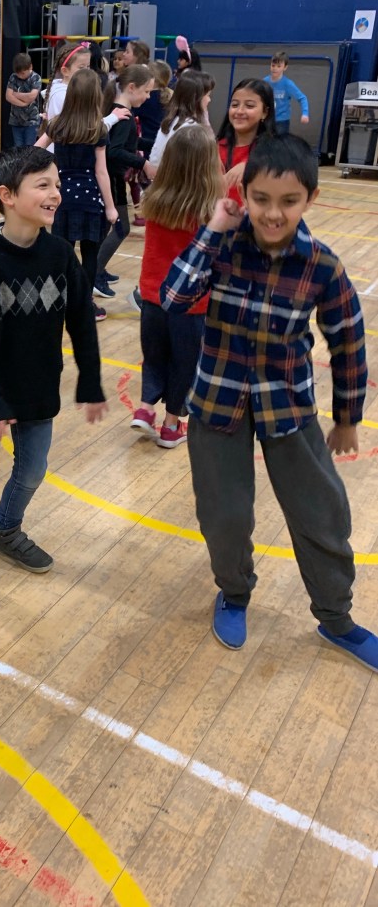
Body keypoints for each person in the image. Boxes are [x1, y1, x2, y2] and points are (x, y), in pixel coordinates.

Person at [161, 134, 378, 671]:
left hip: (288, 406)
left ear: (311, 199)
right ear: (244, 194)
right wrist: (214, 228)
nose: (273, 213)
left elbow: (348, 340)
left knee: (322, 513)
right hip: (217, 402)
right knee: (224, 515)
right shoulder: (223, 244)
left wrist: (347, 417)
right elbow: (173, 297)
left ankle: (336, 618)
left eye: (288, 201)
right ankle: (234, 592)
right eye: (260, 199)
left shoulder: (322, 266)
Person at [0, 147, 108, 604]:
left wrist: (90, 380)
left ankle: (6, 530)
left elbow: (81, 321)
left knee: (32, 471)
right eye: (43, 185)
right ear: (8, 196)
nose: (56, 194)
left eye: (57, 184)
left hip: (37, 385)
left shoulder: (60, 255)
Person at [130, 125, 224, 447]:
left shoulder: (154, 201)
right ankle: (171, 426)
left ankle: (145, 409)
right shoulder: (210, 211)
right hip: (191, 305)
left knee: (154, 355)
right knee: (185, 362)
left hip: (152, 297)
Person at [35, 68, 118, 322]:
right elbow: (101, 172)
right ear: (95, 96)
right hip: (90, 199)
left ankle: (57, 301)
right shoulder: (97, 128)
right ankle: (84, 304)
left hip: (62, 198)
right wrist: (111, 207)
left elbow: (36, 150)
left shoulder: (57, 124)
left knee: (62, 253)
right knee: (90, 255)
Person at [93, 64, 156, 302]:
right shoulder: (124, 116)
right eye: (146, 91)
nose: (148, 97)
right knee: (121, 229)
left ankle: (98, 267)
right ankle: (93, 274)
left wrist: (154, 143)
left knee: (110, 229)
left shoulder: (118, 111)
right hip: (111, 178)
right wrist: (143, 164)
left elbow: (129, 143)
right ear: (131, 87)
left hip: (112, 178)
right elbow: (114, 151)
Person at [216, 77, 275, 203]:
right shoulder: (214, 149)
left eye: (249, 106)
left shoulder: (273, 152)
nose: (239, 111)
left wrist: (251, 166)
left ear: (265, 112)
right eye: (234, 105)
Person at [130, 60, 173, 227]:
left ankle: (151, 214)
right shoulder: (169, 96)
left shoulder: (148, 99)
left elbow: (130, 109)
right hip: (165, 145)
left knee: (147, 182)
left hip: (151, 146)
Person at [148, 70, 215, 168]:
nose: (209, 100)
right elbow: (209, 158)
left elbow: (154, 159)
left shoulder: (171, 121)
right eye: (208, 95)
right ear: (197, 98)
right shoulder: (191, 128)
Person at [264, 51, 310, 136]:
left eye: (279, 66)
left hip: (282, 121)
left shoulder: (288, 84)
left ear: (285, 67)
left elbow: (302, 98)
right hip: (267, 119)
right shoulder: (265, 81)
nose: (275, 68)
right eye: (273, 65)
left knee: (281, 142)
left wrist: (305, 113)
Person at [5, 51, 42, 148]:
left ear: (30, 67)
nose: (20, 76)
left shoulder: (36, 78)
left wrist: (16, 94)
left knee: (29, 147)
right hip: (16, 120)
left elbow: (32, 96)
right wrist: (23, 104)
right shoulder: (13, 77)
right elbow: (8, 96)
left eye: (22, 73)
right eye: (18, 73)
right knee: (18, 147)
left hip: (31, 121)